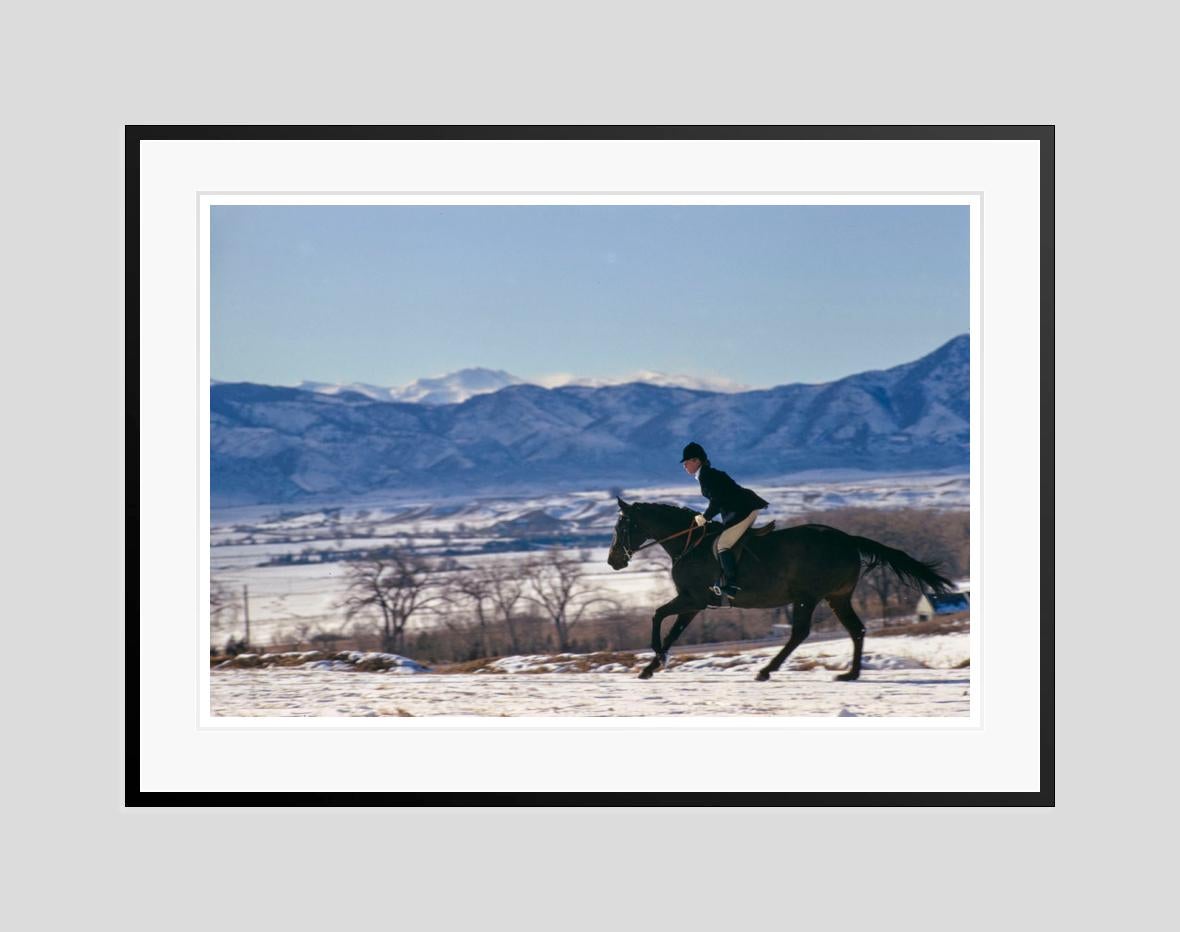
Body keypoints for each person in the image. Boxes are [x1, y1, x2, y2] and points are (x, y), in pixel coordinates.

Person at [680, 442, 769, 598]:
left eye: (686, 462)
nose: (684, 466)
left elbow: (717, 500)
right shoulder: (706, 475)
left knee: (723, 544)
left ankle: (732, 585)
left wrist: (705, 517)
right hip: (738, 511)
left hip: (744, 510)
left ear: (696, 460)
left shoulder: (707, 476)